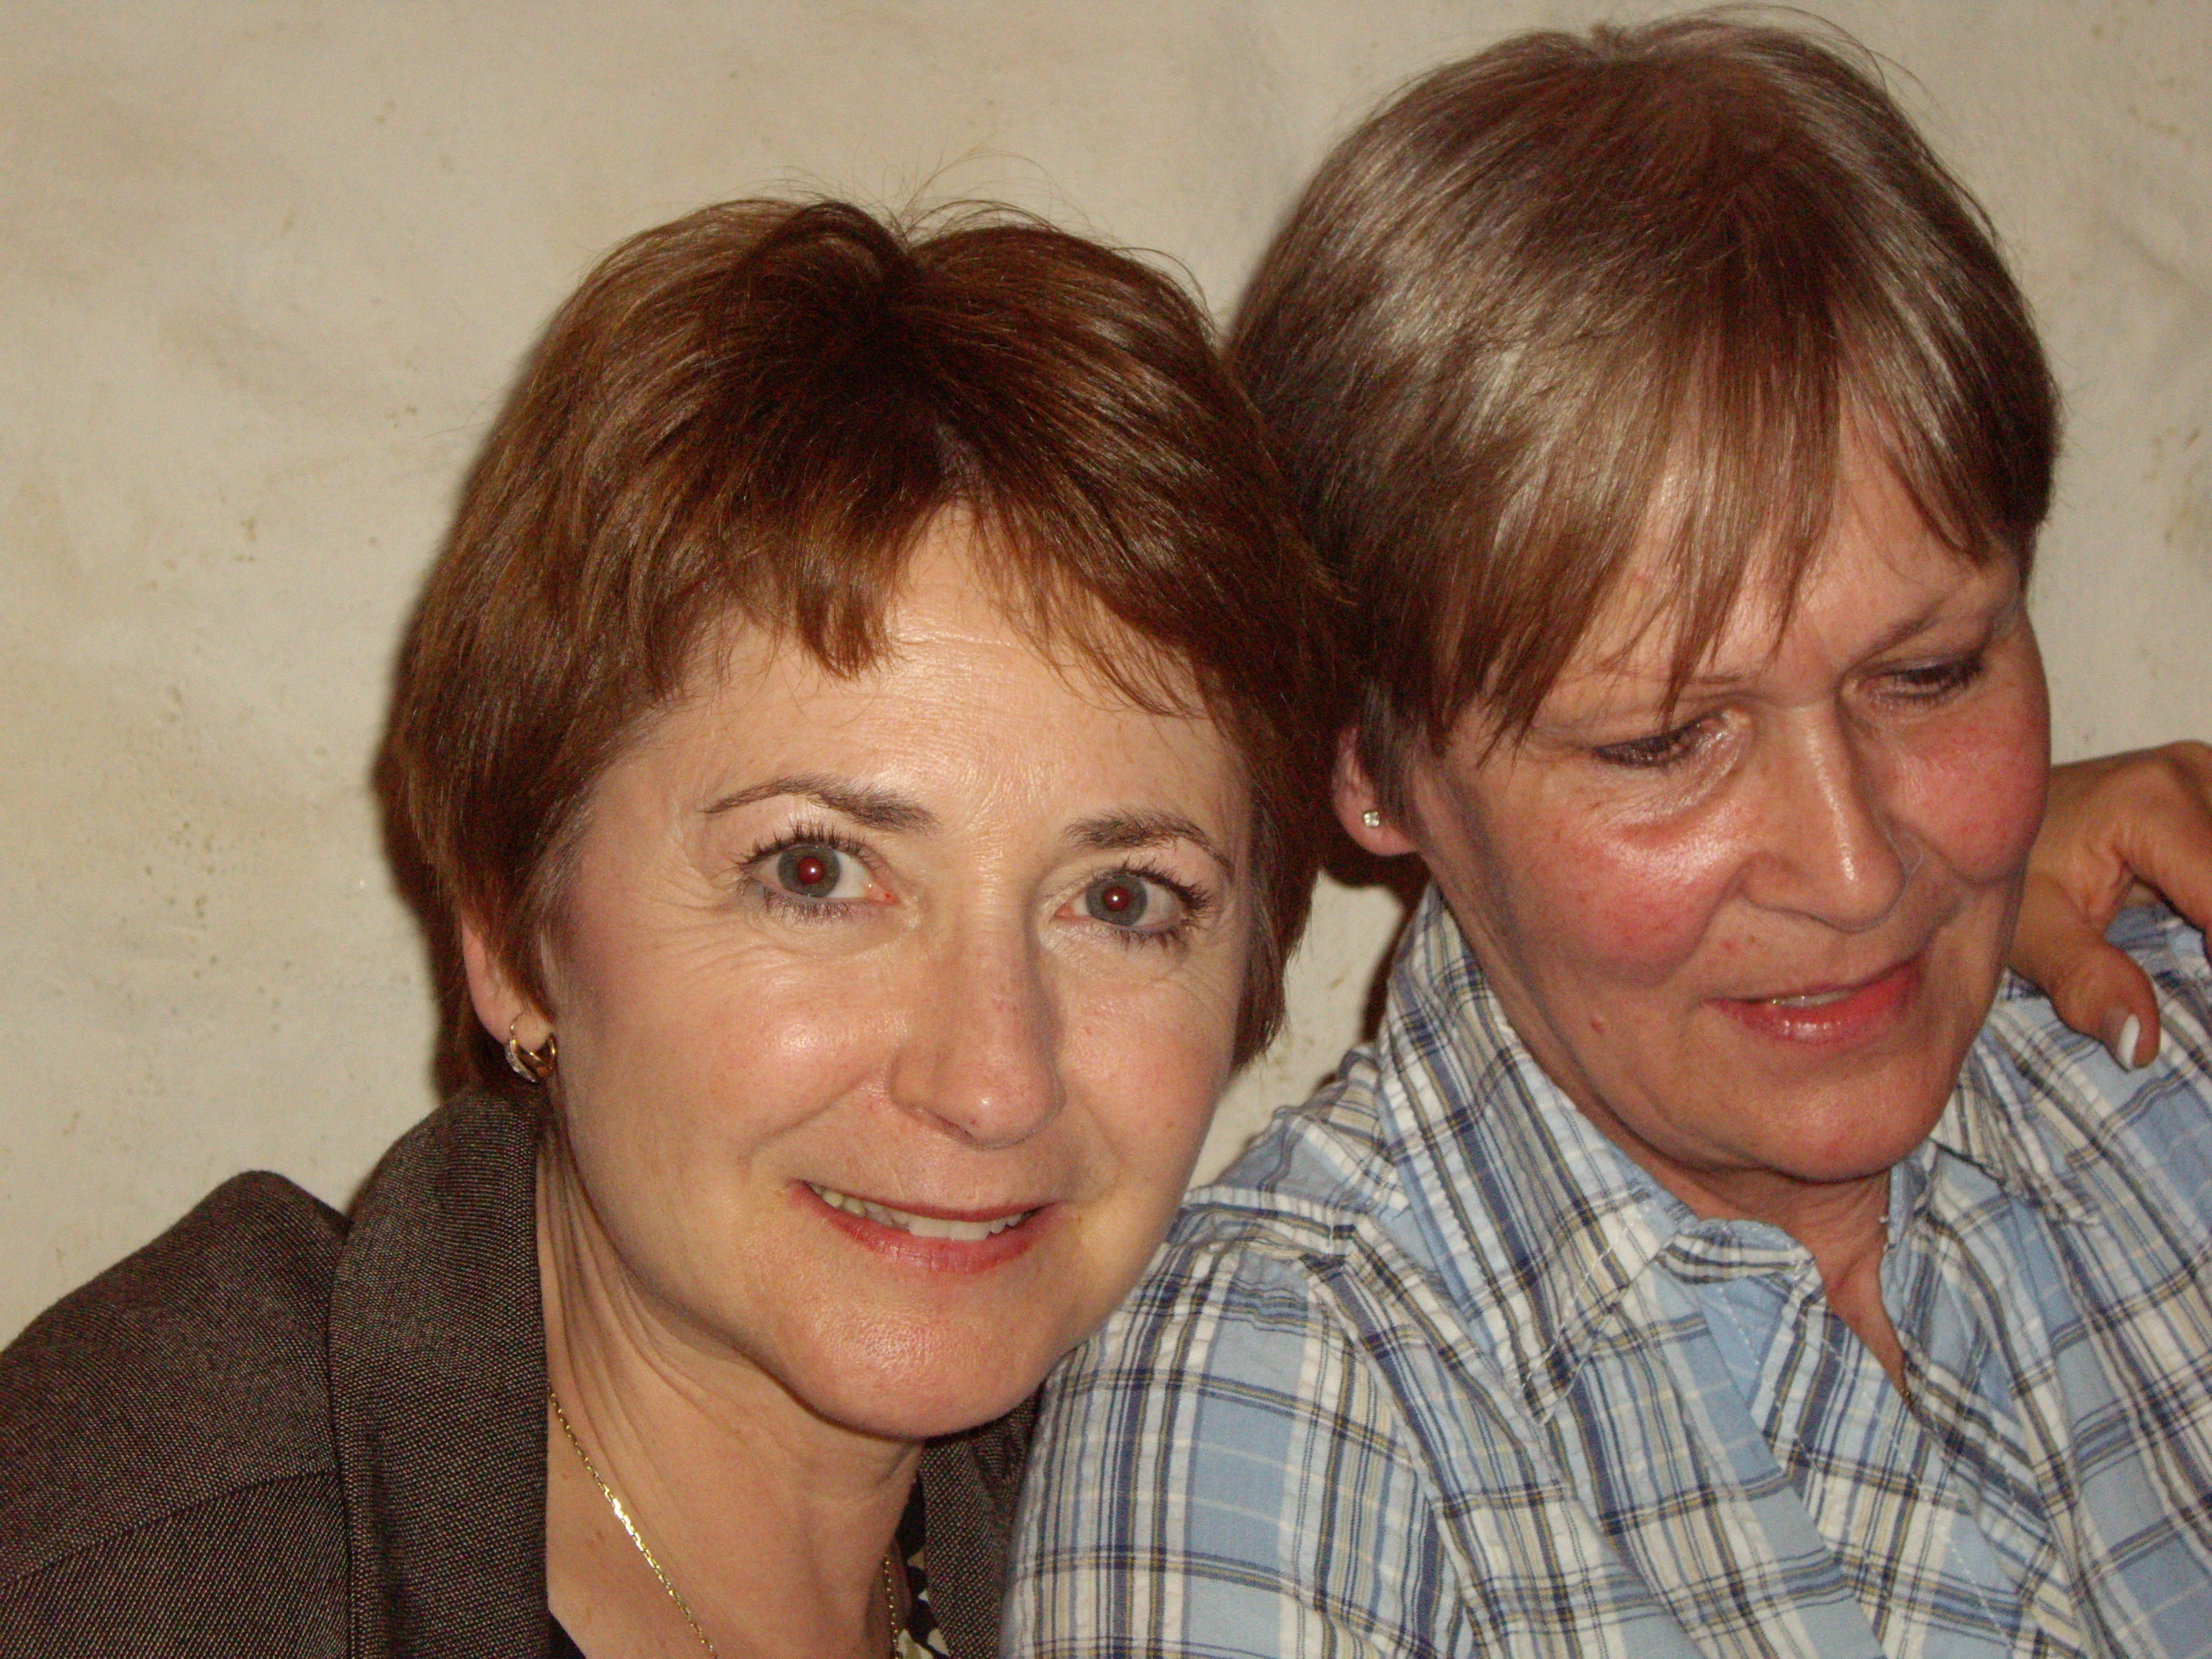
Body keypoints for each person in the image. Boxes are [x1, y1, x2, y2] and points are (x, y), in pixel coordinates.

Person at [1008, 15, 2212, 1658]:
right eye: (1660, 743)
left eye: (1929, 674)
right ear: (1370, 766)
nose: (1855, 870)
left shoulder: (2156, 1063)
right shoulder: (1283, 1401)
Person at [0, 198, 1340, 1657]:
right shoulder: (133, 1584)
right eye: (816, 873)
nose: (993, 1080)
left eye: (1122, 899)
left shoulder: (1204, 1512)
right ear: (512, 931)